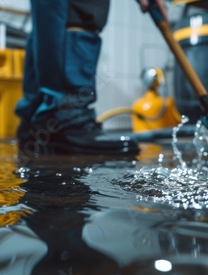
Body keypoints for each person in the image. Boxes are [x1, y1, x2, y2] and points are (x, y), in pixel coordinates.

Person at [15, 0, 168, 157]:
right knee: (82, 8)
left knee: (48, 14)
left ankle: (36, 122)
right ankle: (65, 118)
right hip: (62, 117)